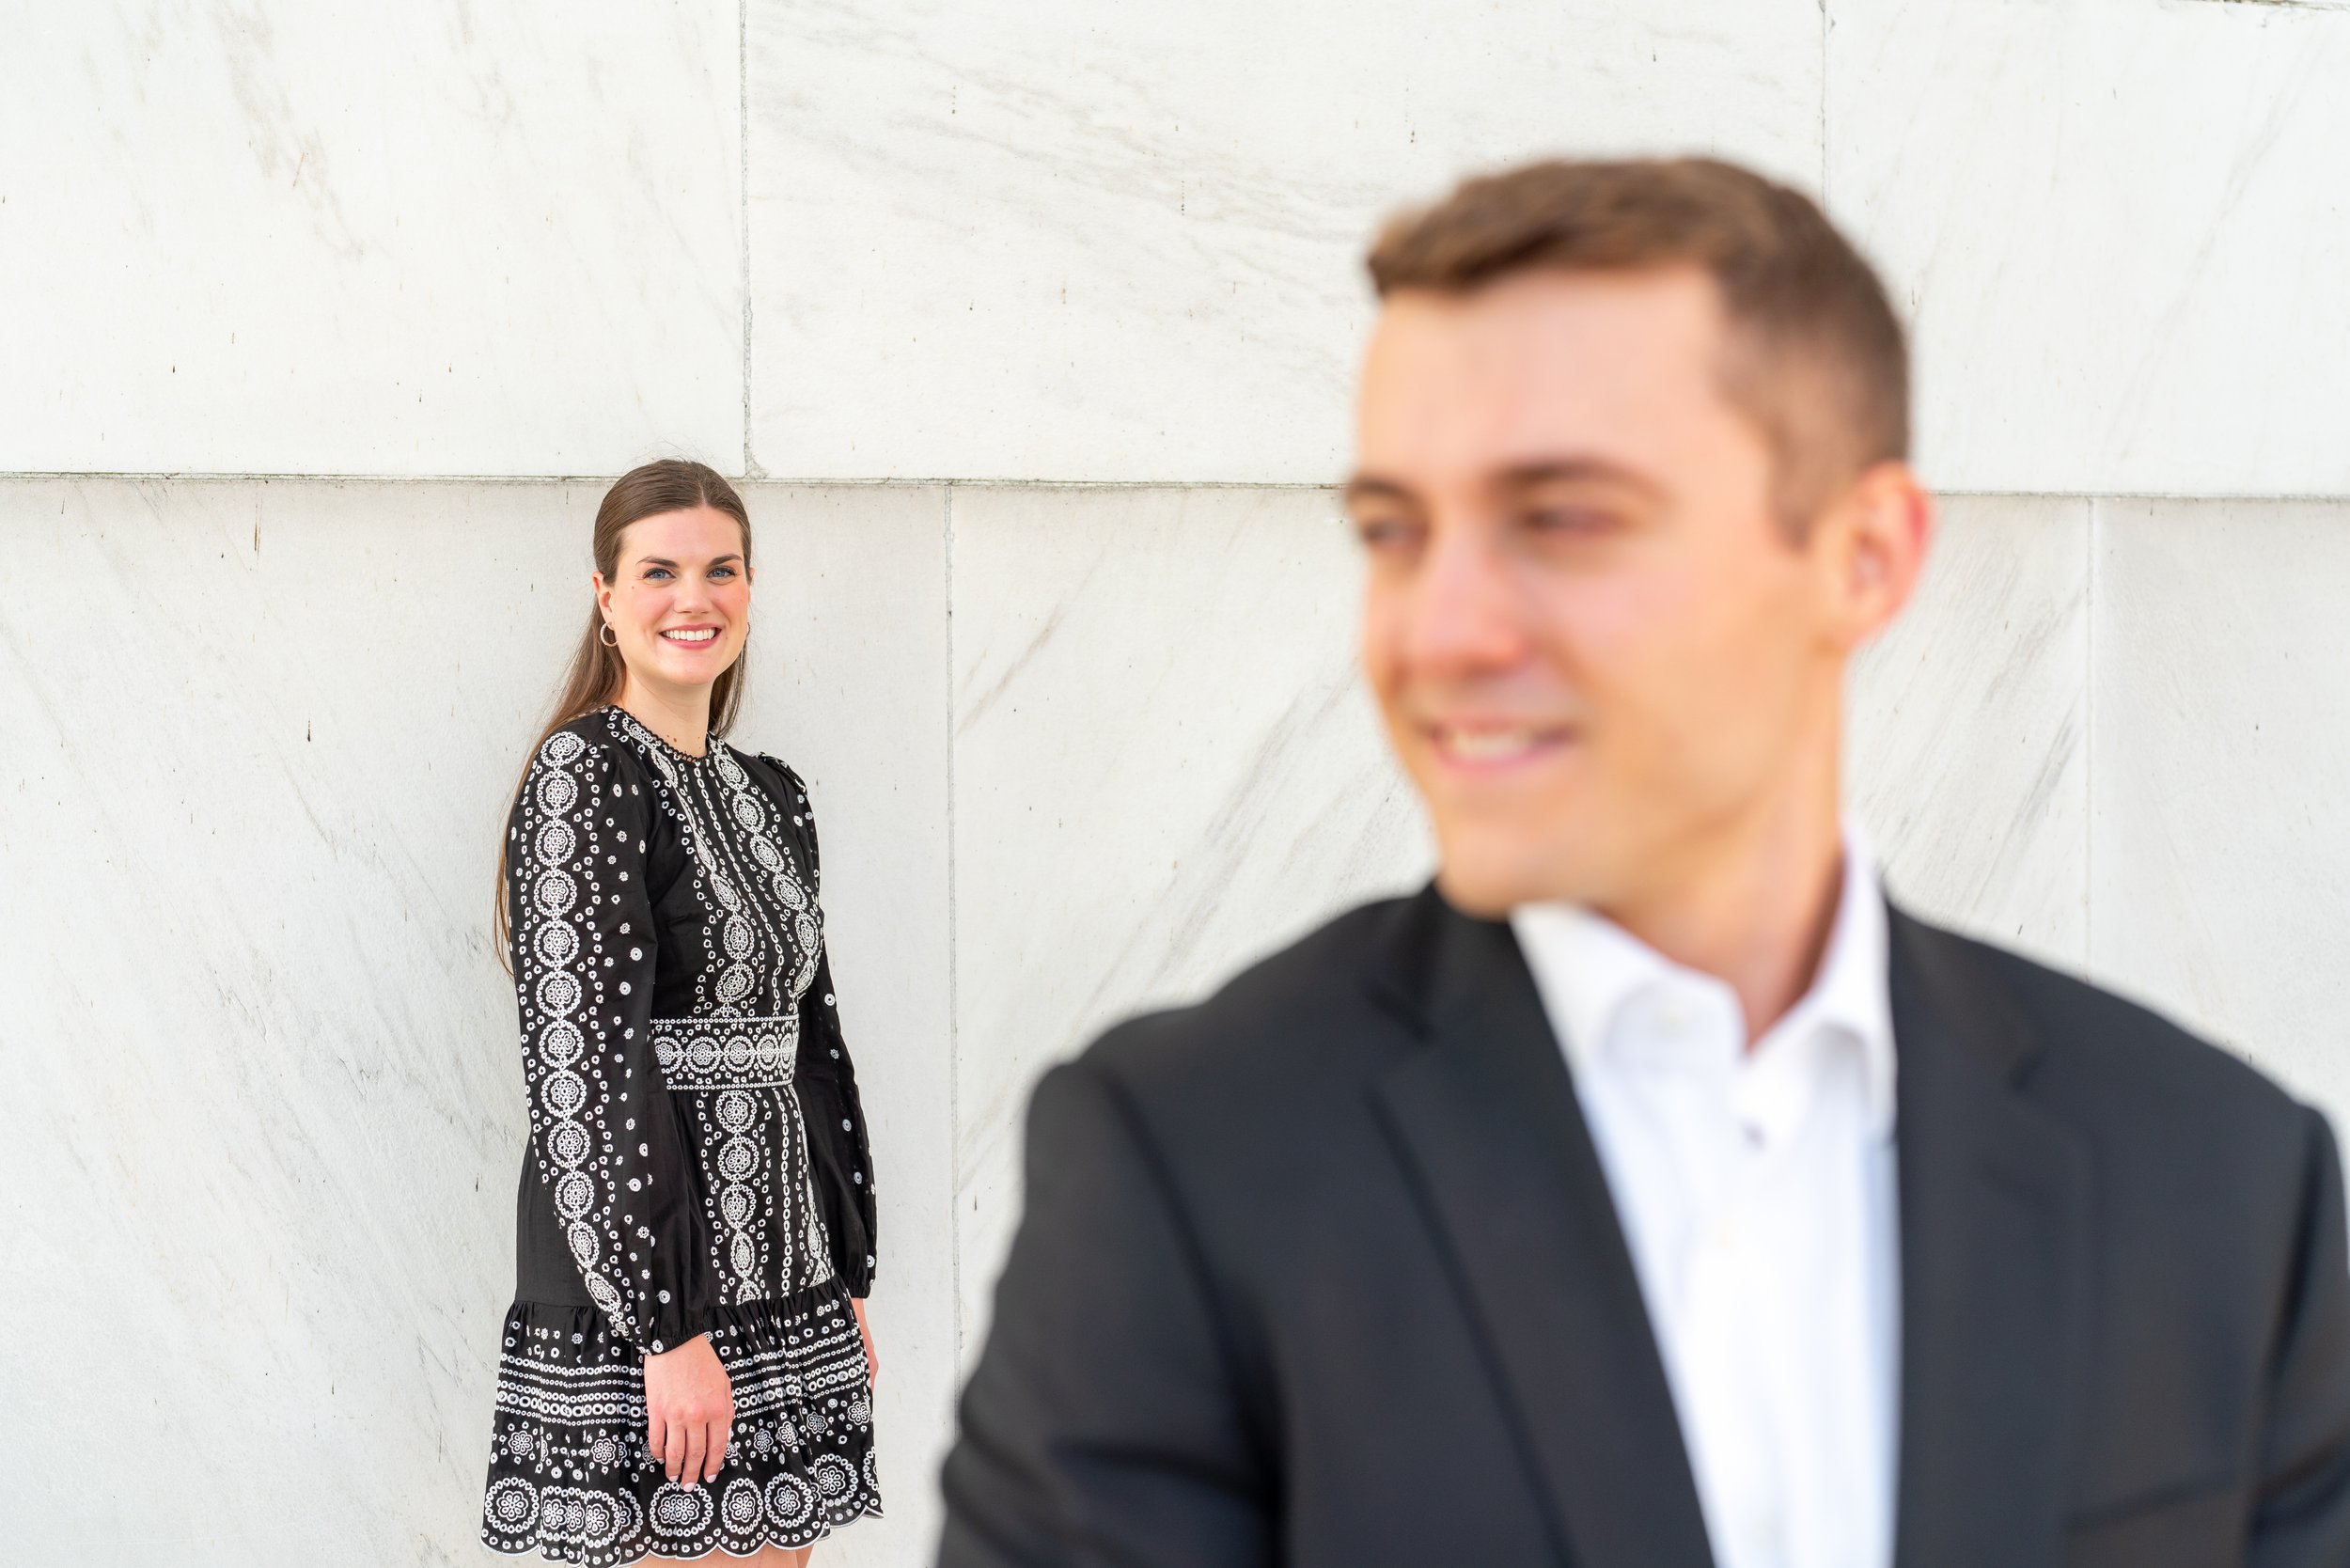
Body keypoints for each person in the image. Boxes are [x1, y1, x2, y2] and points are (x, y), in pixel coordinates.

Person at [936, 161, 2350, 1567]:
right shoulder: (1188, 1166)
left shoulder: (2223, 1183)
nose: (1439, 632)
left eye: (1561, 517)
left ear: (1863, 555)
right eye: (1394, 532)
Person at [478, 460, 884, 1566]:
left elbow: (814, 1050)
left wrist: (845, 1277)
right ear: (606, 597)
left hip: (790, 1279)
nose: (691, 598)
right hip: (655, 1299)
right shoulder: (585, 775)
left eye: (720, 570)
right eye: (658, 571)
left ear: (750, 590)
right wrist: (667, 1331)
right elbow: (584, 1072)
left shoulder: (773, 794)